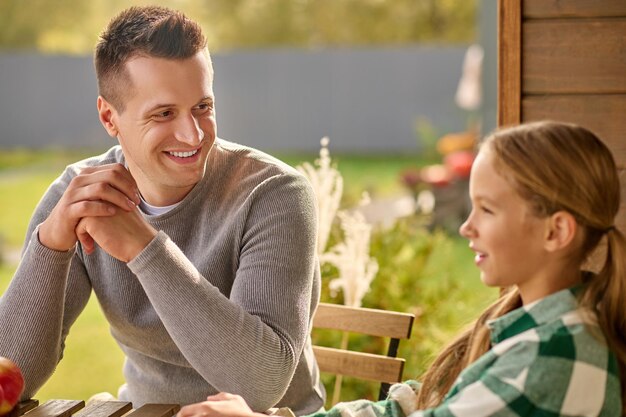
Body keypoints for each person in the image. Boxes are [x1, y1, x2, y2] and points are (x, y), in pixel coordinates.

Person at [177, 121, 626, 417]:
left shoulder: (556, 358)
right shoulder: (528, 331)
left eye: (488, 210)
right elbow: (409, 407)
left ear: (556, 231)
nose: (467, 227)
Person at [0, 5, 325, 415]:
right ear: (109, 117)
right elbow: (12, 375)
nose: (192, 134)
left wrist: (144, 247)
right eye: (164, 113)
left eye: (202, 107)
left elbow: (259, 386)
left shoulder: (274, 194)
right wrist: (51, 244)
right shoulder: (80, 196)